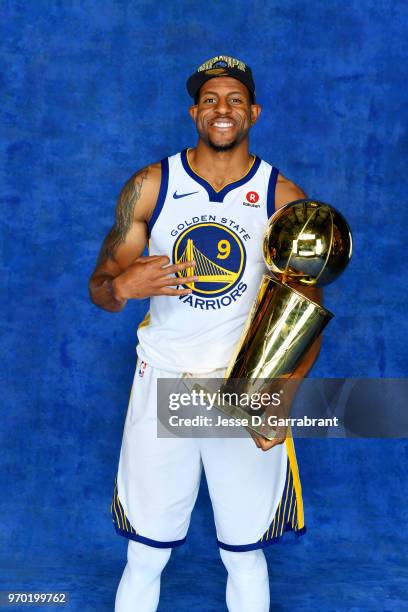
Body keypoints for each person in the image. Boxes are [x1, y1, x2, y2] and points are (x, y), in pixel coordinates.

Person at [89, 55, 323, 612]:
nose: (223, 109)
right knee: (145, 555)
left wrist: (281, 396)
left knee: (244, 554)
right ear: (195, 112)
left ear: (254, 112)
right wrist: (123, 287)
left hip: (240, 392)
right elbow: (98, 287)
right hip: (162, 380)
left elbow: (308, 310)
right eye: (211, 100)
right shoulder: (150, 185)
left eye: (235, 100)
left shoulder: (283, 198)